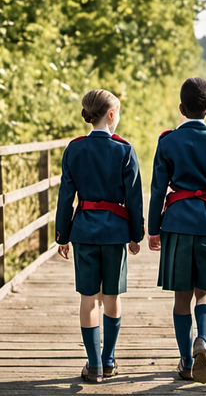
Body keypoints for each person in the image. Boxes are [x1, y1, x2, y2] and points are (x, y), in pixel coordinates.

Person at [148, 77, 206, 384]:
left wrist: (153, 229)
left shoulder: (167, 141)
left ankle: (186, 361)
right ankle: (204, 341)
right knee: (205, 292)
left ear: (181, 108)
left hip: (176, 223)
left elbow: (158, 190)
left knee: (181, 297)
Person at [54, 89, 144, 383]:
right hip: (116, 231)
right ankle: (108, 360)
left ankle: (92, 365)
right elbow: (134, 198)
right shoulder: (124, 149)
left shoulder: (74, 149)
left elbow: (66, 197)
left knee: (88, 297)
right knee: (112, 296)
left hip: (83, 231)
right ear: (111, 114)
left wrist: (62, 236)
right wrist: (135, 235)